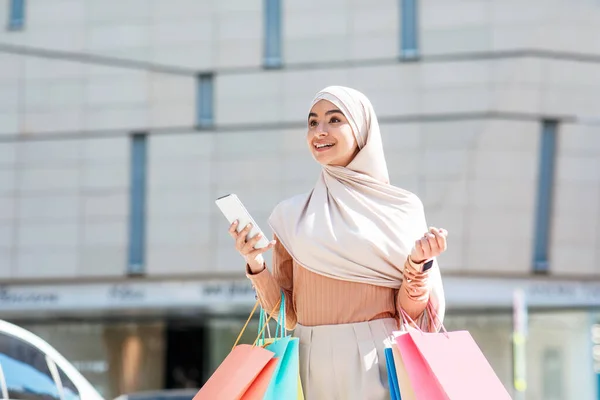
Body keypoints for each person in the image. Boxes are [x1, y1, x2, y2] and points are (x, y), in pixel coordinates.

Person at [228, 86, 447, 399]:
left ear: (361, 130)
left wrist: (417, 266)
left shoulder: (400, 207)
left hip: (378, 358)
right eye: (313, 122)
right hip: (308, 360)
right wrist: (255, 264)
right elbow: (288, 313)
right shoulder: (291, 215)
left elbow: (411, 313)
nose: (320, 131)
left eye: (334, 120)